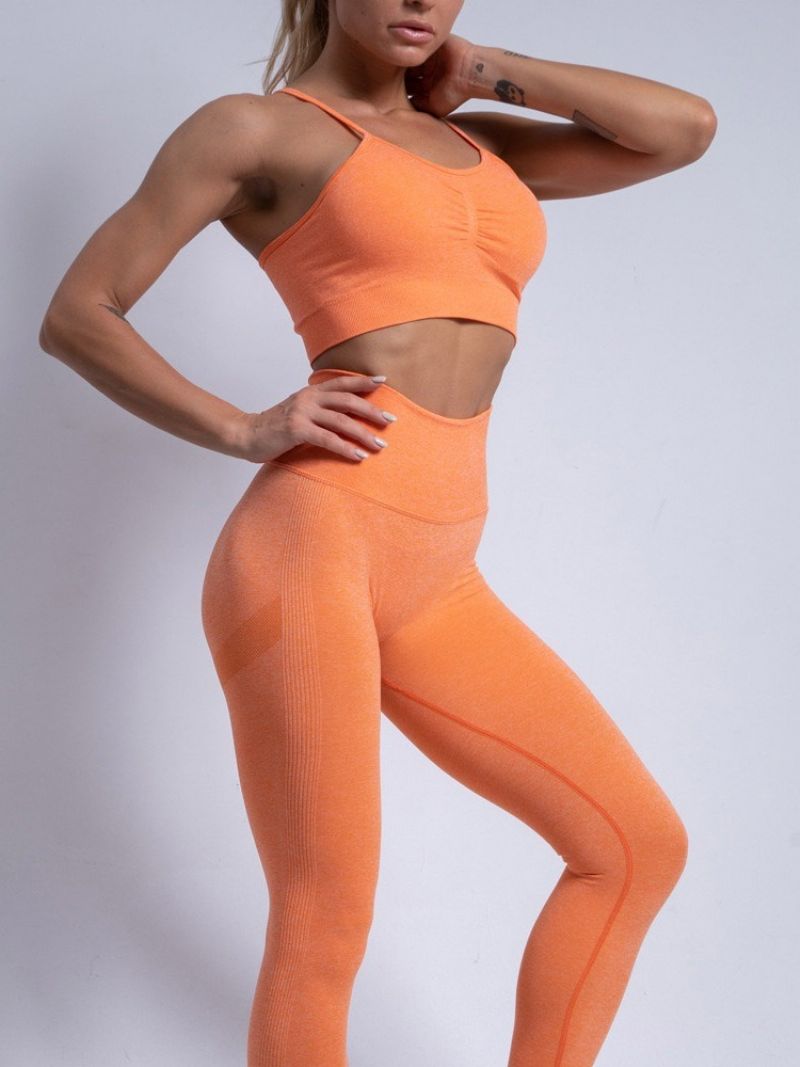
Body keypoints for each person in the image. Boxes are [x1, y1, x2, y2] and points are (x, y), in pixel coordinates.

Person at [38, 2, 717, 1064]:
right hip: (312, 542)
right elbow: (79, 311)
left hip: (439, 570)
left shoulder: (479, 142)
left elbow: (682, 129)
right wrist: (241, 426)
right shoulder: (257, 130)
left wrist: (480, 69)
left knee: (633, 844)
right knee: (325, 910)